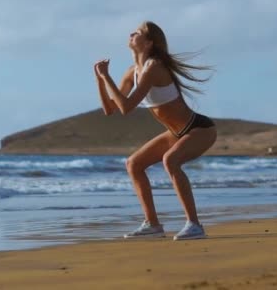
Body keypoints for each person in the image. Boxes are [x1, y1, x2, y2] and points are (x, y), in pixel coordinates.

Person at [93, 21, 217, 240]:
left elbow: (127, 107)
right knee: (134, 164)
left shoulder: (154, 67)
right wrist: (100, 79)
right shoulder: (133, 72)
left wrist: (106, 77)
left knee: (171, 160)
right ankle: (152, 225)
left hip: (199, 128)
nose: (131, 33)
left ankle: (195, 225)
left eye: (138, 33)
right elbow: (109, 110)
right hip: (177, 132)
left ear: (149, 43)